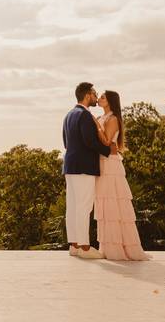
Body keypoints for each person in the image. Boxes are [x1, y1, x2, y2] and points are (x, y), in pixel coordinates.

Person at [91, 90, 151, 261]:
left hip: (110, 164)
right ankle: (108, 246)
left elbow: (107, 141)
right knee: (105, 204)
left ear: (110, 101)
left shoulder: (113, 119)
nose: (100, 99)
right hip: (102, 162)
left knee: (113, 204)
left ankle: (119, 248)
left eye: (102, 97)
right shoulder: (103, 118)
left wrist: (96, 125)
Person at [63, 82, 118, 259]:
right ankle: (85, 248)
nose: (95, 97)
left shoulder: (69, 114)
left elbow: (66, 142)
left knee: (72, 206)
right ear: (87, 95)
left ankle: (74, 245)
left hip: (70, 166)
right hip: (84, 167)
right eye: (94, 94)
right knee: (84, 206)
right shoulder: (85, 115)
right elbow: (89, 142)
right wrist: (108, 150)